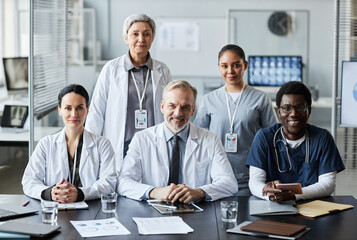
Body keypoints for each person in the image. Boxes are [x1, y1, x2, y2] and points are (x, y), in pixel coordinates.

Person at [117, 80, 238, 202]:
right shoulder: (142, 139)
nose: (178, 113)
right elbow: (123, 182)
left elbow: (229, 183)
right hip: (153, 212)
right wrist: (155, 192)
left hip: (197, 213)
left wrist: (200, 192)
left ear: (193, 110)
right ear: (162, 106)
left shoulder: (211, 140)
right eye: (172, 106)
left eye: (185, 107)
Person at [85, 14, 172, 171]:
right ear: (126, 38)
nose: (141, 39)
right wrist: (91, 150)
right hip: (122, 146)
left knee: (152, 190)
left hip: (154, 145)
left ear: (152, 38)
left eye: (146, 34)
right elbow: (97, 111)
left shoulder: (162, 70)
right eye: (135, 34)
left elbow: (170, 109)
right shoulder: (111, 69)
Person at [194, 44, 277, 195]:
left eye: (236, 65)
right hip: (215, 177)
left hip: (250, 176)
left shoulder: (260, 98)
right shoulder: (209, 100)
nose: (230, 71)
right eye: (224, 66)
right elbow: (198, 138)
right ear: (219, 67)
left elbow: (272, 138)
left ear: (245, 65)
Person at [246, 81, 345, 202]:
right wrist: (269, 194)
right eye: (286, 108)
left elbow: (328, 185)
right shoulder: (264, 138)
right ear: (279, 112)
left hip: (313, 209)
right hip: (273, 206)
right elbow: (255, 183)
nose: (293, 114)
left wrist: (294, 195)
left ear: (309, 111)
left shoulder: (322, 138)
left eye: (300, 108)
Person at [22, 84, 117, 203]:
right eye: (68, 108)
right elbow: (29, 181)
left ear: (87, 110)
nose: (74, 114)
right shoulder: (46, 144)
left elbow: (108, 183)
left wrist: (81, 193)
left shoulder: (103, 145)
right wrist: (50, 193)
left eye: (79, 108)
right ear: (59, 110)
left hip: (91, 209)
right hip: (54, 210)